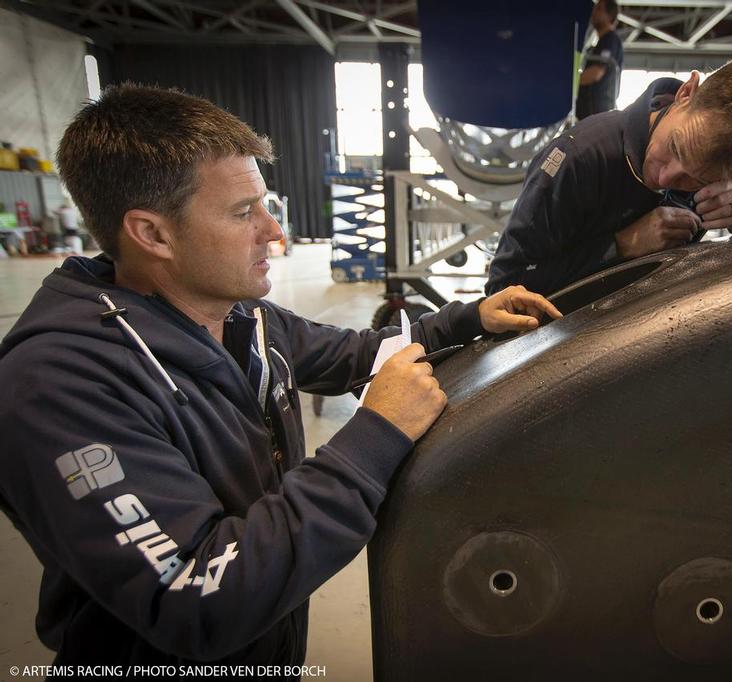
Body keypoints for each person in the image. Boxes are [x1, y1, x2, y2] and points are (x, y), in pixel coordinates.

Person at [0, 85, 561, 672]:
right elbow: (195, 598)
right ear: (153, 234)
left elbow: (359, 354)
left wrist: (468, 317)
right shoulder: (59, 385)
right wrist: (375, 436)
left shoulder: (243, 316)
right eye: (244, 213)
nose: (275, 232)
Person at [486, 51, 732, 296]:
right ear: (686, 92)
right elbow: (505, 288)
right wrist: (620, 245)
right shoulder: (578, 157)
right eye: (676, 149)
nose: (666, 178)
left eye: (699, 180)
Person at [575, 0, 624, 120]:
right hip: (590, 116)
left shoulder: (610, 40)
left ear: (609, 16)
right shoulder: (600, 43)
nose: (593, 13)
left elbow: (596, 73)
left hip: (596, 115)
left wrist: (571, 82)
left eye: (599, 9)